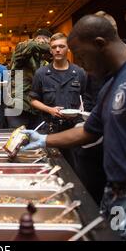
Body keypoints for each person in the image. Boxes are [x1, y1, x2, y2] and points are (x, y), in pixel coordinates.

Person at [23, 15, 126, 241]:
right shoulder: (111, 84)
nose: (82, 64)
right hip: (117, 196)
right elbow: (88, 131)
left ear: (100, 44)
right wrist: (43, 140)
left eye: (82, 55)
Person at [29, 32, 87, 168]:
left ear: (68, 48)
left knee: (75, 169)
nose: (58, 49)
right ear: (50, 50)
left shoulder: (79, 73)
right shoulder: (41, 73)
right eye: (54, 47)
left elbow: (86, 99)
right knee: (51, 167)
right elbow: (33, 100)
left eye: (61, 46)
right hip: (49, 129)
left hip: (73, 130)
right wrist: (50, 110)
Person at [6, 28, 52, 129]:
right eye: (45, 42)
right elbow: (31, 45)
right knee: (17, 141)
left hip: (37, 110)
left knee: (36, 142)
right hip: (19, 108)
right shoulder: (22, 50)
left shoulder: (45, 63)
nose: (47, 45)